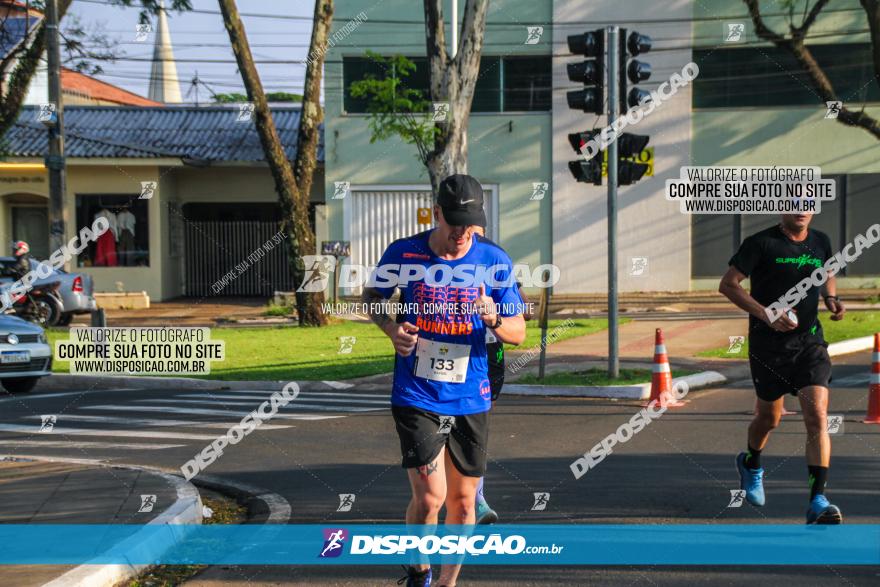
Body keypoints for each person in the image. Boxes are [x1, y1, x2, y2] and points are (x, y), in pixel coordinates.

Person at [363, 174, 525, 586]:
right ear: (436, 213)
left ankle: (446, 583)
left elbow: (518, 332)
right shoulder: (405, 254)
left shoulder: (493, 260)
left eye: (470, 224)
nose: (462, 233)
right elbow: (372, 298)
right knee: (431, 497)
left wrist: (494, 320)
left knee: (465, 503)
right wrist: (390, 329)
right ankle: (419, 571)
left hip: (471, 394)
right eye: (454, 222)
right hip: (416, 391)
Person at [719, 212, 846, 524]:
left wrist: (830, 297)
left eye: (807, 201)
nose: (801, 208)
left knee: (817, 415)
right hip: (768, 346)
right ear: (782, 208)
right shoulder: (761, 243)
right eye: (794, 201)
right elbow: (728, 284)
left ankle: (818, 500)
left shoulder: (820, 241)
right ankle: (751, 463)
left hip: (809, 342)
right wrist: (766, 315)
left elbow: (828, 269)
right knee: (768, 418)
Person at [473, 225, 533, 525]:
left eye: (477, 229)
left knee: (477, 423)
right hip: (445, 353)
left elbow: (521, 307)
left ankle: (475, 497)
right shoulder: (435, 258)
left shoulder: (495, 259)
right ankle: (463, 496)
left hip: (489, 352)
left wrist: (504, 312)